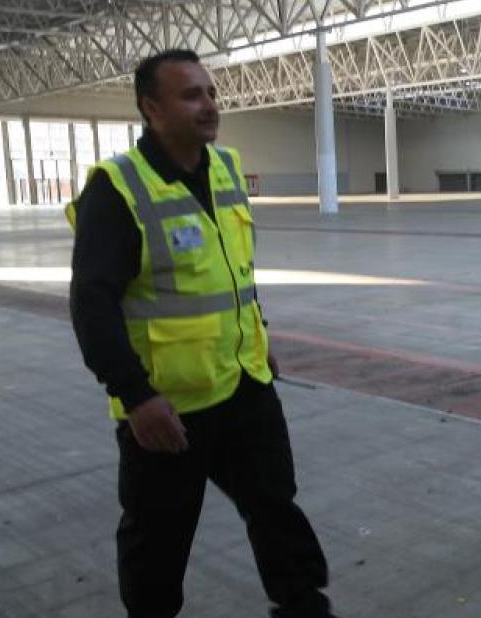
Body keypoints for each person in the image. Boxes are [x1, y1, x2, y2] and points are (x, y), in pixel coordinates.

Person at [67, 49, 337, 618]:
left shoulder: (227, 169)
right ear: (151, 108)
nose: (209, 105)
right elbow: (92, 305)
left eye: (211, 93)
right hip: (170, 408)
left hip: (245, 385)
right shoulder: (118, 189)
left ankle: (303, 606)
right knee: (158, 540)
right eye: (191, 95)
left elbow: (235, 274)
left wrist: (257, 338)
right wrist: (135, 396)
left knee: (275, 508)